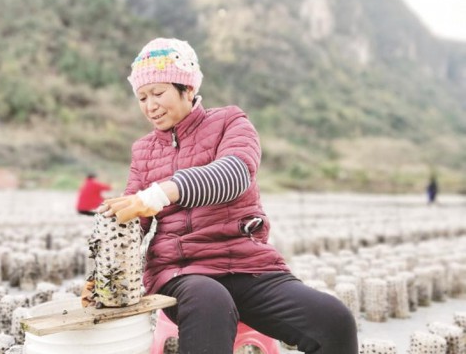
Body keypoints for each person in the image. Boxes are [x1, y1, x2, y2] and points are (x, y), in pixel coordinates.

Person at [83, 38, 358, 353]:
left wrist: (159, 193)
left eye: (159, 93)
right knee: (210, 301)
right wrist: (105, 277)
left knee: (334, 321)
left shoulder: (231, 122)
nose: (150, 105)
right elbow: (131, 222)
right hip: (182, 271)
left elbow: (234, 175)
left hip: (249, 266)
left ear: (187, 89)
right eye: (142, 97)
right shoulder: (143, 150)